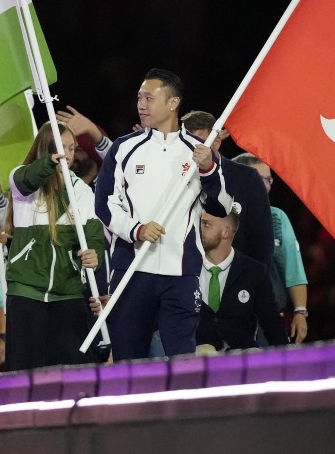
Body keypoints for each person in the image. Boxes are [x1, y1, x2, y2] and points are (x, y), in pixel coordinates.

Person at [94, 68, 232, 360]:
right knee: (128, 360)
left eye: (149, 98)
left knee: (182, 359)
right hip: (132, 270)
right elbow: (104, 204)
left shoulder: (200, 152)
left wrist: (208, 169)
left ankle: (182, 407)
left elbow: (222, 207)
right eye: (139, 98)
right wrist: (137, 230)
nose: (141, 105)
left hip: (180, 275)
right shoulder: (124, 149)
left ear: (173, 103)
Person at [0, 121, 103, 370]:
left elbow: (94, 235)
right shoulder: (22, 181)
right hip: (27, 291)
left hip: (68, 292)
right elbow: (26, 179)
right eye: (61, 147)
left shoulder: (81, 191)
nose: (68, 154)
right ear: (47, 150)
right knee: (24, 372)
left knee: (69, 371)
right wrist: (49, 163)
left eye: (72, 148)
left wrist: (95, 255)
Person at [231, 152, 309, 344]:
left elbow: (293, 269)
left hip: (269, 319)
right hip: (227, 318)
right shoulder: (218, 217)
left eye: (269, 179)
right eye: (260, 179)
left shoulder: (277, 217)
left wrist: (300, 311)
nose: (267, 185)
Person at [181, 112, 273, 271]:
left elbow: (262, 238)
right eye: (185, 143)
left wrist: (257, 282)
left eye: (197, 143)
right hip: (186, 274)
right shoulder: (177, 179)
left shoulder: (247, 178)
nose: (192, 151)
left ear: (216, 142)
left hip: (235, 278)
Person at [196, 207, 289, 352]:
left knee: (254, 355)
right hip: (199, 356)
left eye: (206, 224)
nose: (199, 229)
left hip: (242, 356)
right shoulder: (186, 268)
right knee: (203, 352)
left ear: (225, 232)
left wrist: (287, 360)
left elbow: (271, 321)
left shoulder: (254, 272)